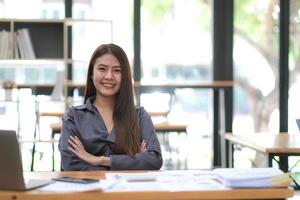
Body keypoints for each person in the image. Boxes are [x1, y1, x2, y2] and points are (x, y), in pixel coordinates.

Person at [59, 43, 163, 170]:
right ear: (92, 74)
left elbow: (154, 159)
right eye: (102, 69)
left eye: (117, 70)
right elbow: (71, 165)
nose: (109, 76)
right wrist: (134, 162)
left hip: (129, 190)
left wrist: (101, 160)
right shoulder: (73, 117)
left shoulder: (139, 116)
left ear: (125, 76)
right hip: (89, 189)